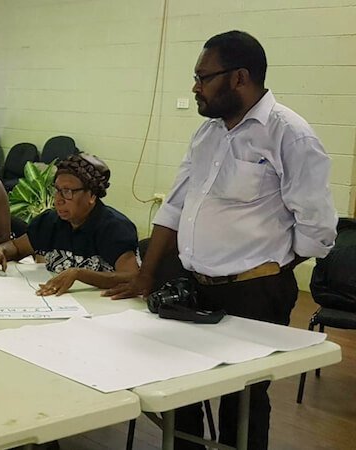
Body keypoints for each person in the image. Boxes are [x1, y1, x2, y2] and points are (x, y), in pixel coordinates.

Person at [106, 31, 338, 450]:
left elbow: (318, 228)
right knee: (180, 387)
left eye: (203, 77)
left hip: (255, 292)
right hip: (195, 284)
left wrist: (273, 268)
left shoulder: (289, 134)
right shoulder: (207, 134)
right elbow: (175, 206)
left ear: (239, 78)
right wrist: (146, 274)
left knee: (243, 399)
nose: (195, 87)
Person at [0, 153, 138, 296]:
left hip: (101, 306)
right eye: (57, 190)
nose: (58, 200)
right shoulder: (50, 221)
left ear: (92, 195)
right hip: (59, 301)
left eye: (67, 192)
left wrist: (79, 274)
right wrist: (0, 250)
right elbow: (17, 248)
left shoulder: (114, 228)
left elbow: (132, 276)